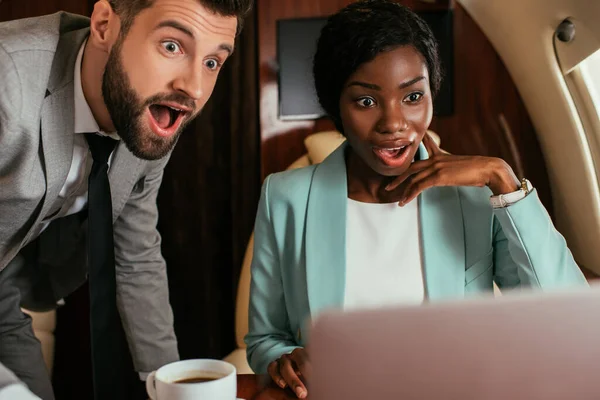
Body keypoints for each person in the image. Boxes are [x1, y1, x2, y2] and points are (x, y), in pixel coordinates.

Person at [244, 1, 587, 398]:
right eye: (366, 101)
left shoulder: (479, 197)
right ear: (335, 105)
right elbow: (265, 338)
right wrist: (287, 360)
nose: (394, 123)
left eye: (412, 97)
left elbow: (563, 319)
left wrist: (502, 178)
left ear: (431, 94)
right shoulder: (284, 197)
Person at [0, 0, 251, 398]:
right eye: (172, 46)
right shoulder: (6, 85)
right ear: (104, 25)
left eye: (212, 62)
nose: (195, 88)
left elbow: (135, 254)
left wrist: (170, 385)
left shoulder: (154, 109)